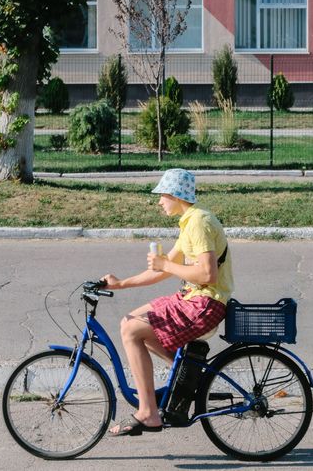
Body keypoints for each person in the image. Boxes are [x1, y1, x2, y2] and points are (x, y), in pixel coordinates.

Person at [100, 168, 234, 436]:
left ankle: (148, 412)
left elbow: (208, 275)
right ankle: (189, 379)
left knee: (131, 329)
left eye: (162, 195)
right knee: (131, 322)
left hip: (204, 304)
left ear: (175, 195)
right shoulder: (190, 222)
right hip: (192, 298)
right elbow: (162, 270)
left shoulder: (199, 223)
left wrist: (167, 265)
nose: (159, 201)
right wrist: (120, 283)